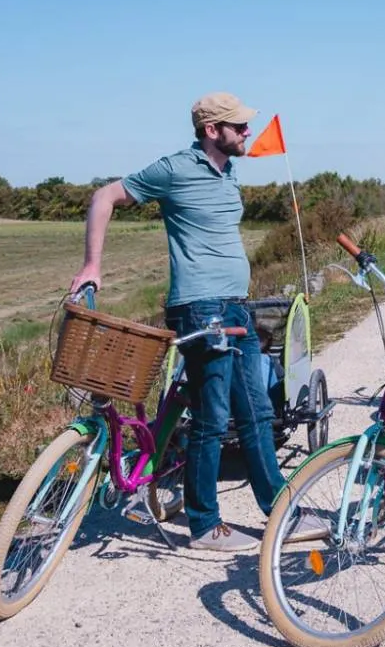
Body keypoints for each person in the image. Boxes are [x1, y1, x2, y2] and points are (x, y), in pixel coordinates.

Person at [69, 92, 303, 552]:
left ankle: (279, 507)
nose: (246, 133)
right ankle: (204, 524)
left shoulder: (229, 172)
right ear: (212, 130)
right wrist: (92, 265)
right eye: (238, 127)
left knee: (256, 412)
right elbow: (104, 197)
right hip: (200, 306)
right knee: (212, 418)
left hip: (236, 306)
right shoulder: (175, 169)